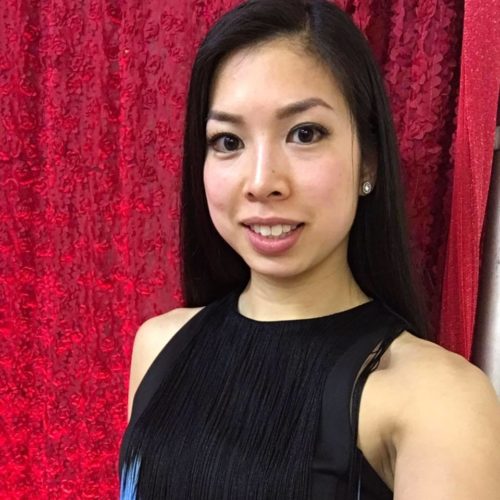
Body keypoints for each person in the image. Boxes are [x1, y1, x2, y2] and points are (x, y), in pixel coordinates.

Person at [118, 1, 500, 498]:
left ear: (369, 161)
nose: (262, 182)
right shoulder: (158, 346)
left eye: (304, 133)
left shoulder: (437, 400)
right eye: (228, 141)